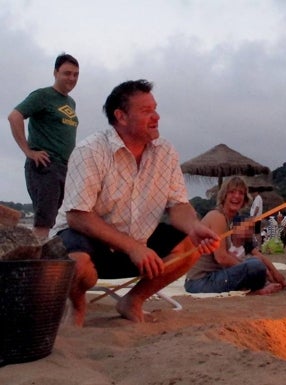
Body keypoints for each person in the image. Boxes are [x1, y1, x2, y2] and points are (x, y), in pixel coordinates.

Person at [53, 79, 220, 326]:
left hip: (138, 245)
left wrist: (193, 227)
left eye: (155, 109)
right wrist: (132, 247)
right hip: (91, 242)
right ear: (121, 116)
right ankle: (77, 307)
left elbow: (178, 206)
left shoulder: (165, 152)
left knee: (190, 245)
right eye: (146, 111)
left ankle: (133, 300)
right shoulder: (91, 151)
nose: (156, 117)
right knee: (77, 263)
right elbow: (77, 216)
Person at [8, 53, 80, 240]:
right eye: (67, 73)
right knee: (44, 221)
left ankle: (52, 259)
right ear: (55, 73)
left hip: (65, 168)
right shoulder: (42, 96)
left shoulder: (70, 102)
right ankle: (36, 266)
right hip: (45, 166)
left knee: (62, 219)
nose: (71, 78)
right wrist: (28, 151)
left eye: (75, 74)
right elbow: (14, 116)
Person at [185, 176, 284, 294]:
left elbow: (231, 256)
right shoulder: (217, 217)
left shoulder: (228, 221)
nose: (236, 196)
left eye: (241, 193)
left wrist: (260, 270)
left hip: (209, 278)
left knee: (255, 263)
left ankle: (258, 286)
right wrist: (246, 270)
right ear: (224, 196)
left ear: (244, 199)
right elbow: (221, 258)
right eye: (232, 192)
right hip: (200, 282)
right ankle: (256, 291)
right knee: (255, 266)